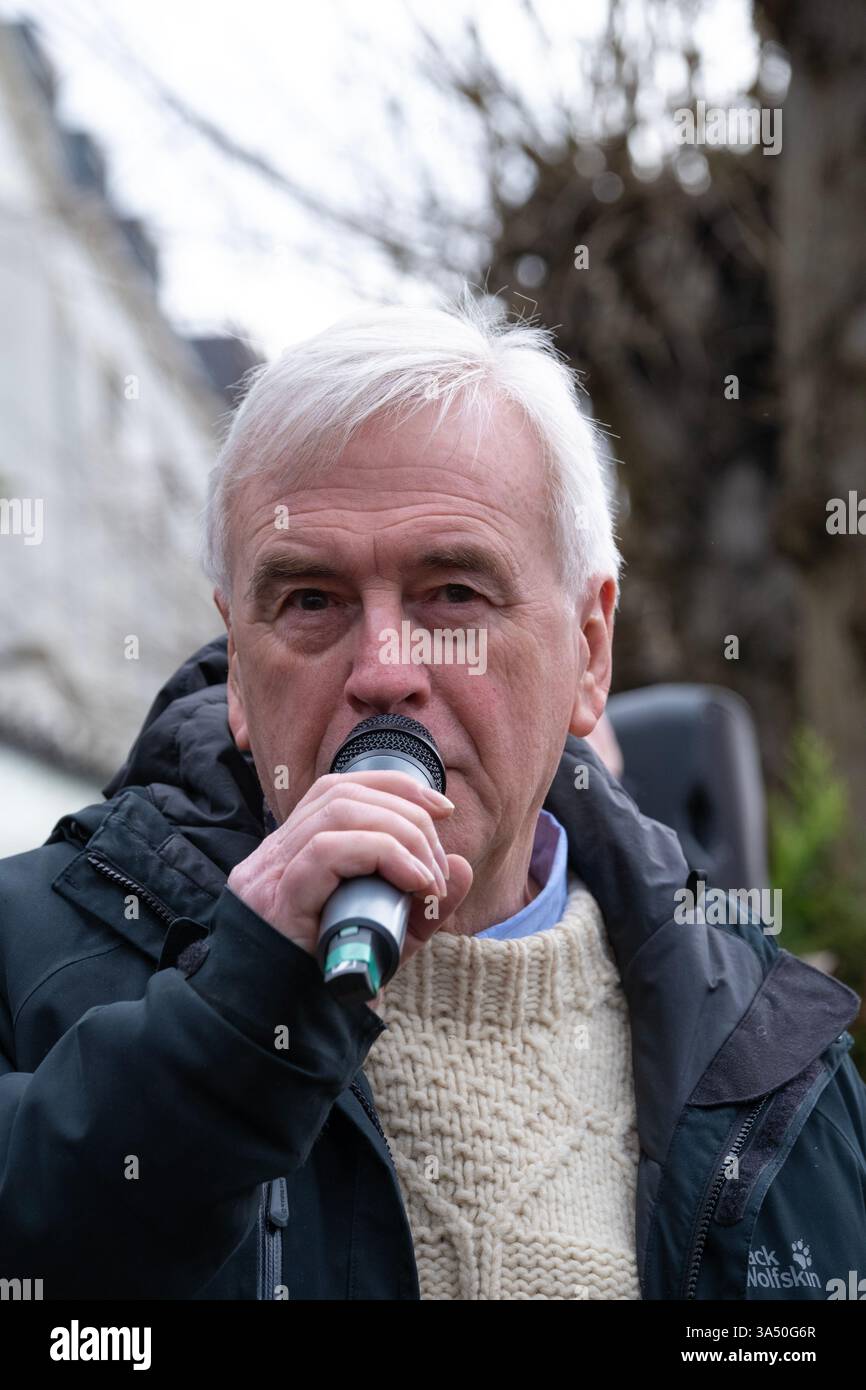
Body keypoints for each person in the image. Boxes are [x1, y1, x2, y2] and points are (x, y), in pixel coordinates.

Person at [1, 295, 864, 1301]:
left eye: (452, 593)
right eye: (311, 600)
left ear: (589, 650)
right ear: (237, 668)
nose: (383, 669)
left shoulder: (772, 1065)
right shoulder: (29, 964)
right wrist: (236, 1014)